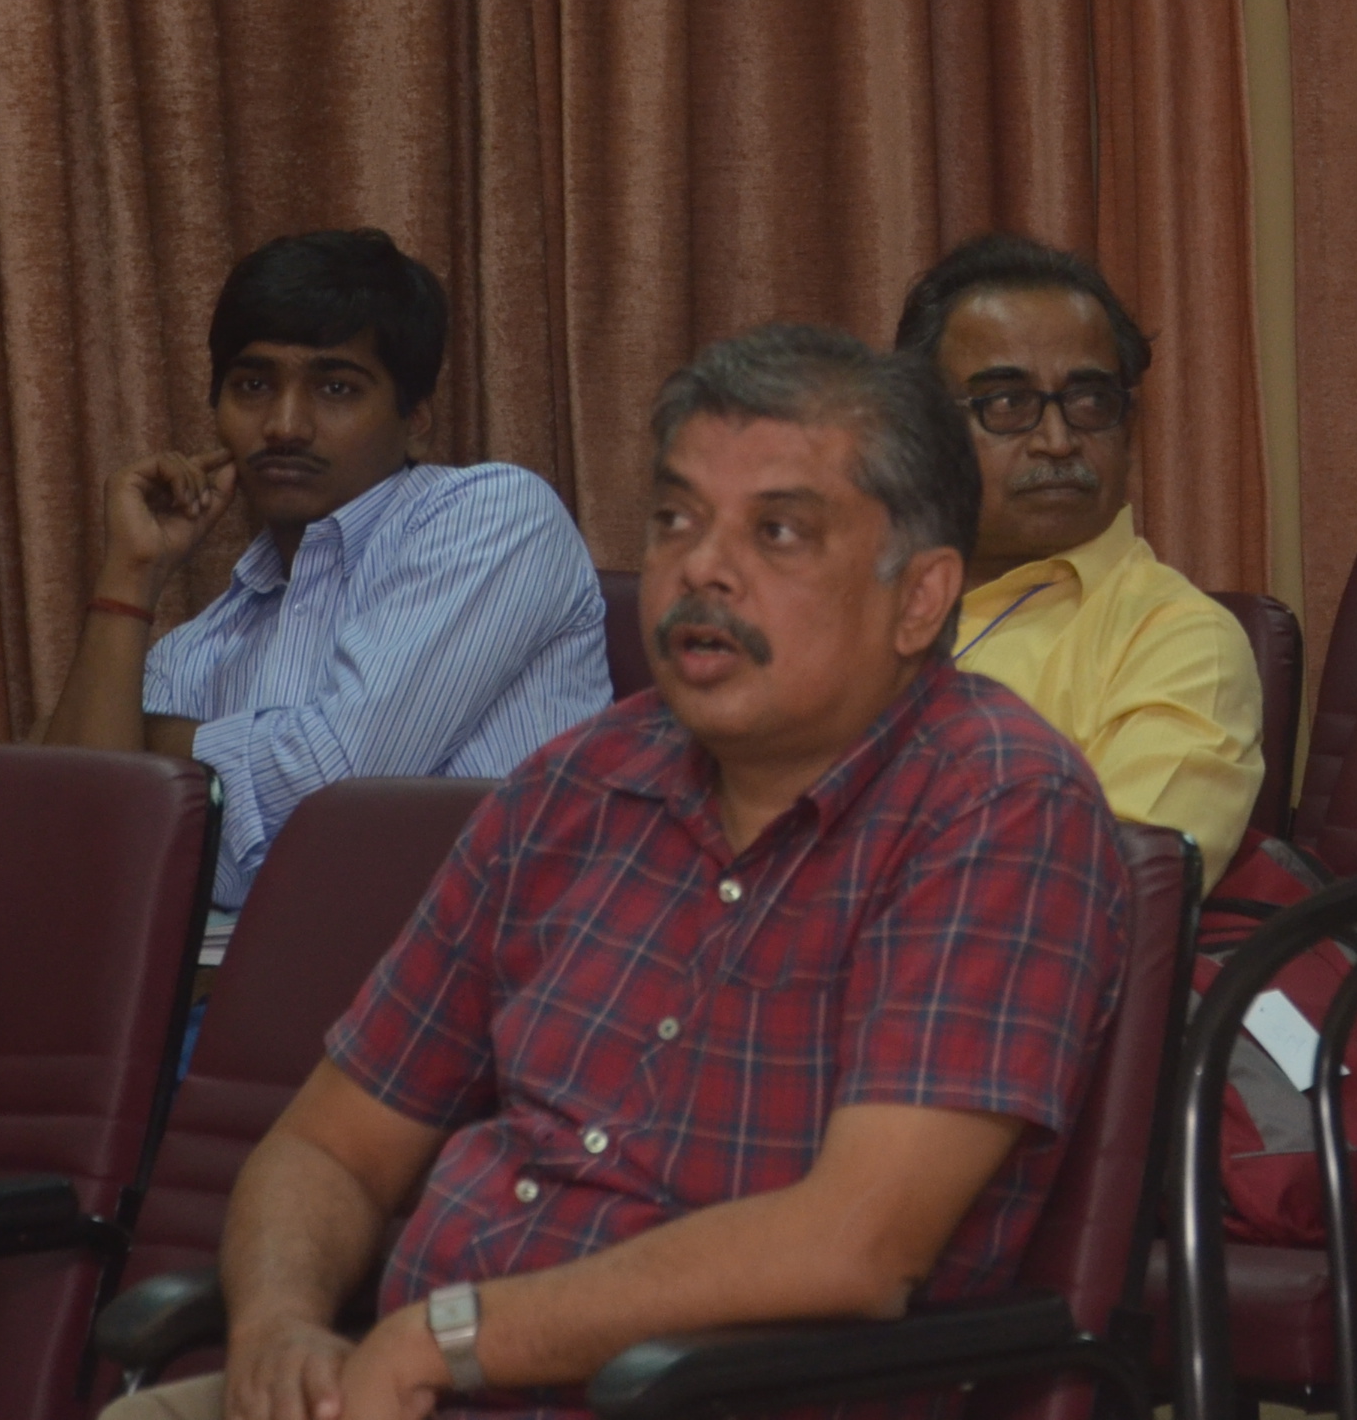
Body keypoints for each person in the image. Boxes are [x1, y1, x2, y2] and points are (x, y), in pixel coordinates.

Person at [124, 325, 1133, 1420]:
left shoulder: (996, 803)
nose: (702, 567)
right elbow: (331, 1146)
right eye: (675, 520)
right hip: (413, 1378)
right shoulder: (580, 780)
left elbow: (858, 1246)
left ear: (920, 598)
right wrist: (280, 1325)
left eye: (778, 531)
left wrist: (448, 1341)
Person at [42, 230, 609, 912]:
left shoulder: (495, 517)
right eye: (253, 385)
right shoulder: (203, 646)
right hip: (253, 977)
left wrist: (147, 746)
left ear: (416, 418)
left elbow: (336, 785)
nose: (284, 425)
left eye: (336, 387)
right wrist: (131, 574)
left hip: (503, 970)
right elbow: (74, 837)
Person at [895, 234, 1264, 882]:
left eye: (1090, 402)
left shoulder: (1177, 641)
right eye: (1006, 404)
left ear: (1129, 429)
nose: (1058, 440)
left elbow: (1101, 895)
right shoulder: (840, 608)